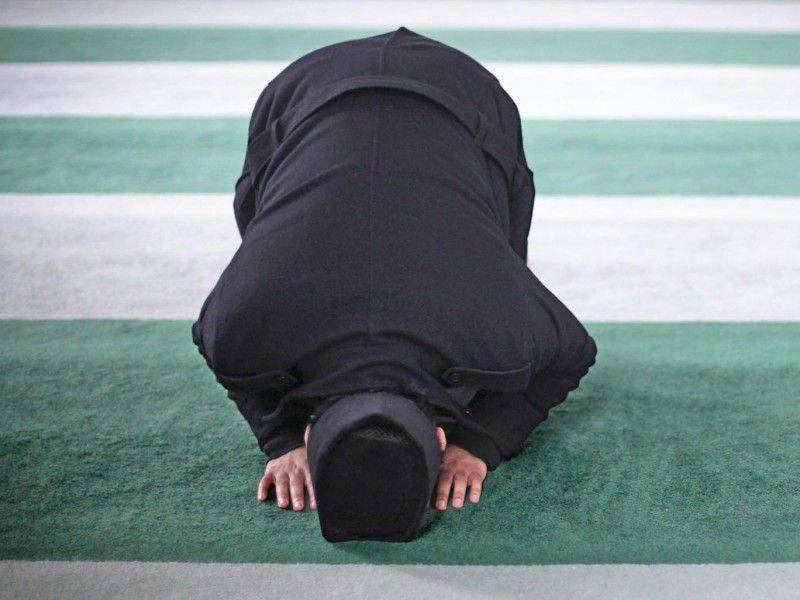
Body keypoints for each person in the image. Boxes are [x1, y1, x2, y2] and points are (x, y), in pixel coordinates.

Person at [192, 27, 597, 542]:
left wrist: (481, 442)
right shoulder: (241, 325)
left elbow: (574, 352)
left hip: (436, 96)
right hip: (318, 91)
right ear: (439, 437)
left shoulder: (495, 324)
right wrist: (279, 438)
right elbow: (572, 352)